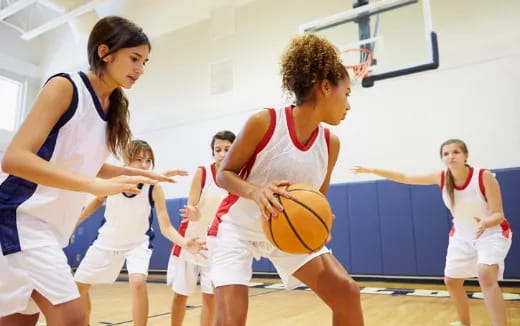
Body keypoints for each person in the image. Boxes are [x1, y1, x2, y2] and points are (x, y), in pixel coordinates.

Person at [0, 16, 176, 326]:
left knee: (18, 321)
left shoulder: (112, 106)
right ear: (105, 51)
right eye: (134, 58)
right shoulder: (65, 86)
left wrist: (141, 175)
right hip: (20, 218)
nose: (140, 69)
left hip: (51, 228)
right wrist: (93, 186)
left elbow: (85, 164)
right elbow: (14, 159)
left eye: (145, 61)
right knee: (72, 316)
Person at [206, 34, 364, 326]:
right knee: (231, 318)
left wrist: (321, 221)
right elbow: (223, 174)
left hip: (284, 231)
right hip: (237, 230)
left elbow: (317, 198)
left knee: (346, 293)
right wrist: (255, 192)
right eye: (348, 93)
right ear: (326, 87)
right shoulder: (264, 122)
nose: (348, 104)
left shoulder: (331, 143)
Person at [352, 138, 512, 326]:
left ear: (465, 155)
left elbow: (498, 214)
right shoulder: (442, 177)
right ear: (442, 158)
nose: (451, 156)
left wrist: (486, 222)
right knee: (452, 281)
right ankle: (464, 323)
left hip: (491, 234)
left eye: (456, 152)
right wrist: (372, 170)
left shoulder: (483, 176)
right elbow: (405, 177)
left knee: (485, 275)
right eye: (446, 153)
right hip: (462, 236)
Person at [74, 139, 205, 326]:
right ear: (128, 160)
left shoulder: (154, 188)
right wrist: (76, 222)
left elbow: (166, 227)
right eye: (139, 160)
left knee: (137, 282)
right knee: (79, 286)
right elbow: (97, 200)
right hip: (107, 241)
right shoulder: (113, 180)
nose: (144, 165)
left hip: (137, 244)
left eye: (148, 161)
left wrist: (185, 243)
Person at [167, 130, 235, 326]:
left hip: (215, 244)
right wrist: (193, 212)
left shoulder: (237, 177)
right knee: (181, 295)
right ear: (212, 152)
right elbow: (192, 204)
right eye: (218, 149)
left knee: (210, 297)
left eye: (227, 149)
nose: (222, 154)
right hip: (191, 240)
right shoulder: (203, 172)